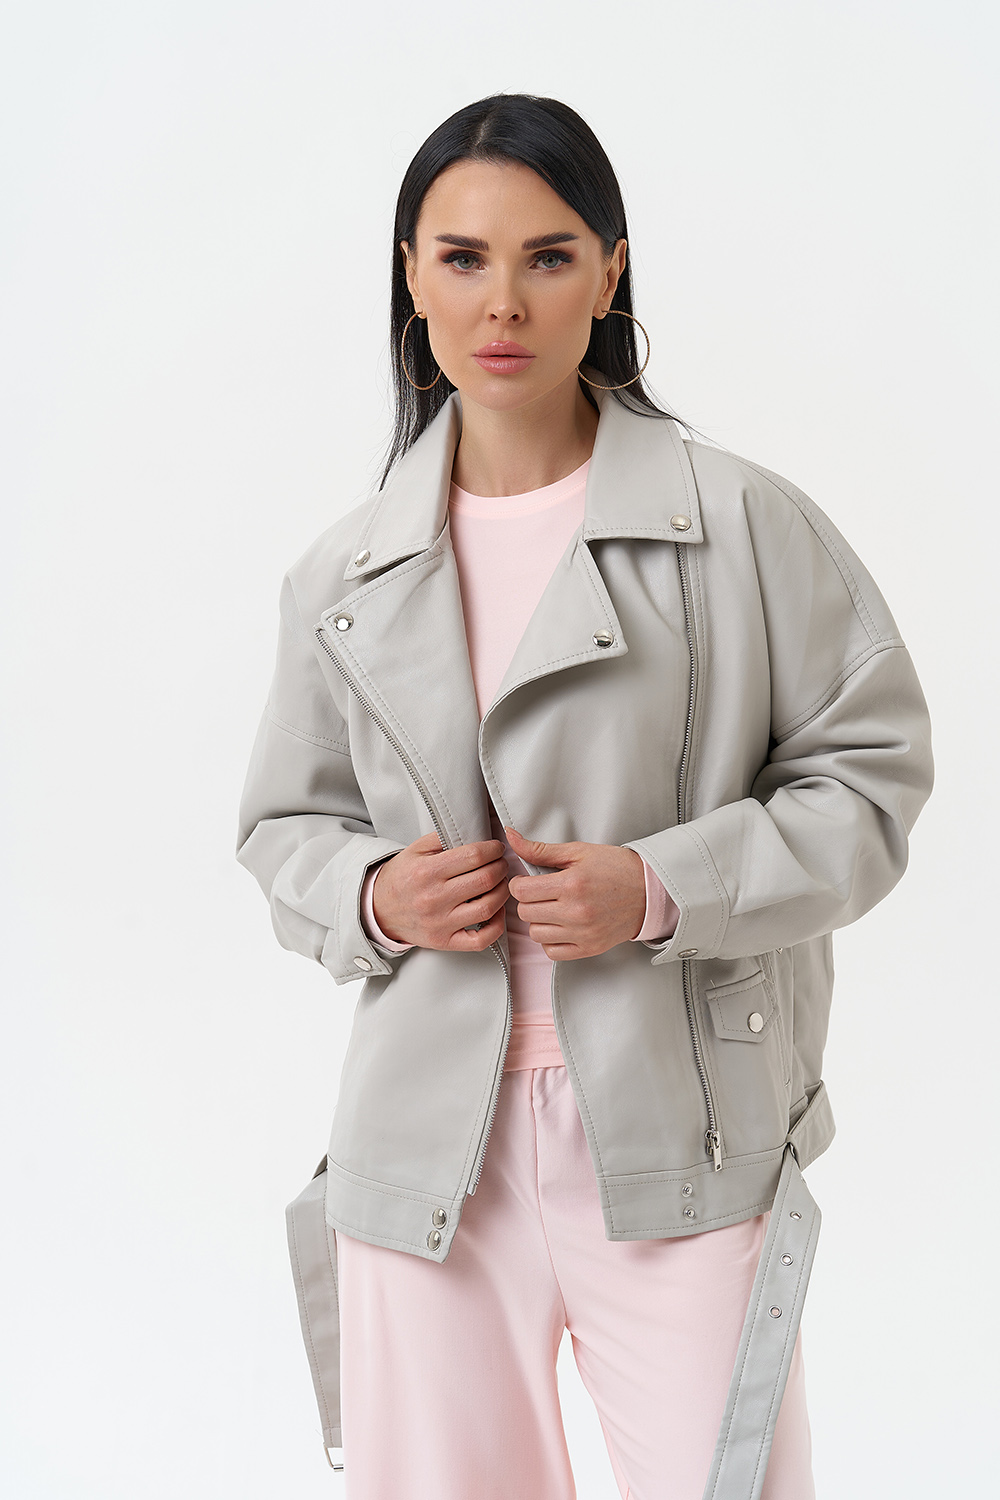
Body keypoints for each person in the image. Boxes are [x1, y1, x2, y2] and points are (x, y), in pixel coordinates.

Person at [236, 93, 934, 1500]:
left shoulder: (740, 524)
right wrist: (376, 896)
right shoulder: (343, 575)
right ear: (411, 275)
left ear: (610, 274)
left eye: (548, 257)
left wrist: (663, 886)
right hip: (427, 1150)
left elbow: (869, 780)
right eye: (462, 257)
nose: (502, 302)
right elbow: (284, 827)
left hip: (686, 1129)